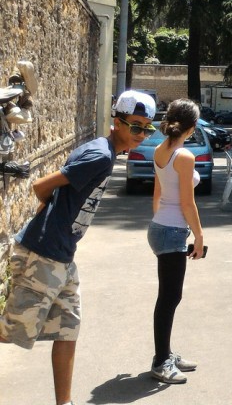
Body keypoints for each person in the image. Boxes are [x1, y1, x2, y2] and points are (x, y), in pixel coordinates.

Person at [0, 90, 156, 405]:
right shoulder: (100, 155)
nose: (141, 134)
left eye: (147, 129)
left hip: (63, 257)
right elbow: (40, 186)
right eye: (136, 126)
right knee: (11, 331)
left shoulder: (105, 153)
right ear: (118, 121)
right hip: (42, 255)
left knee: (67, 328)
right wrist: (52, 220)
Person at [148, 99, 206, 384]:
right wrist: (199, 235)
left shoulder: (161, 150)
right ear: (192, 127)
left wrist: (160, 222)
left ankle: (166, 353)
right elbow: (187, 202)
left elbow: (157, 193)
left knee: (169, 295)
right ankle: (160, 361)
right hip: (171, 231)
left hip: (160, 227)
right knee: (170, 297)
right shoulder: (183, 156)